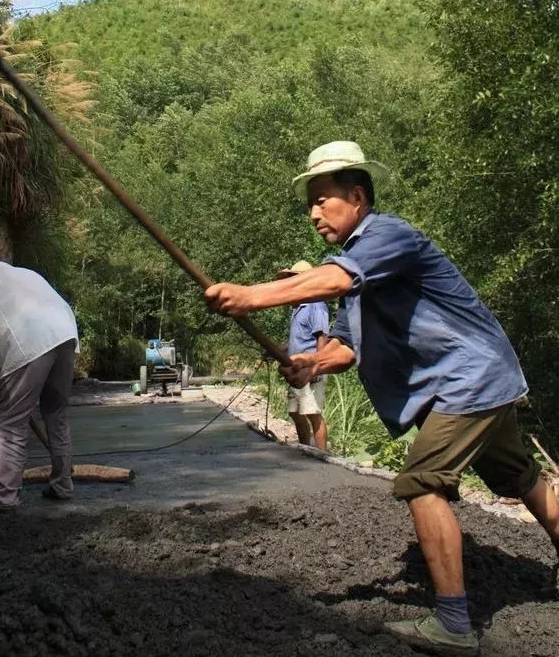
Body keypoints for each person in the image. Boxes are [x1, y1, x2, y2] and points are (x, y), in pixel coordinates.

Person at [205, 141, 559, 655]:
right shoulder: (356, 270)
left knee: (420, 483)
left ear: (357, 195)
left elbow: (331, 282)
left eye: (323, 198)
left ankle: (455, 627)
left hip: (468, 377)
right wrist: (311, 364)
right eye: (311, 203)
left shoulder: (388, 236)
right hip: (474, 380)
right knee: (519, 478)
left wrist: (251, 295)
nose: (314, 212)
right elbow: (347, 347)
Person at [0, 260, 79, 512]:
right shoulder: (22, 274)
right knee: (56, 415)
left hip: (30, 342)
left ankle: (6, 496)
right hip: (65, 336)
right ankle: (62, 484)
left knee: (10, 421)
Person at [276, 260, 329, 450]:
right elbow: (298, 341)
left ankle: (323, 456)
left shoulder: (316, 305)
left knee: (313, 412)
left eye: (293, 279)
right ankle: (305, 449)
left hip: (310, 370)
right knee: (295, 412)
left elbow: (321, 337)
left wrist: (318, 367)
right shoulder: (298, 308)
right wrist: (277, 350)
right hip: (295, 370)